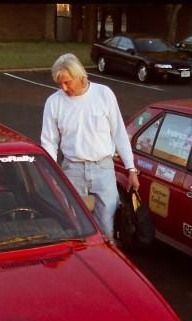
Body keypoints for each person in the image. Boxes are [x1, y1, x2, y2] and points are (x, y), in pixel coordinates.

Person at [41, 53, 139, 239]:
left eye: (67, 82)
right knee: (74, 225)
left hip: (103, 168)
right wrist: (51, 173)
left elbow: (118, 132)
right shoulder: (54, 102)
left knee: (106, 227)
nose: (63, 88)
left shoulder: (103, 94)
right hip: (72, 169)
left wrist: (131, 168)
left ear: (80, 76)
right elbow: (49, 141)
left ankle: (106, 263)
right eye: (59, 83)